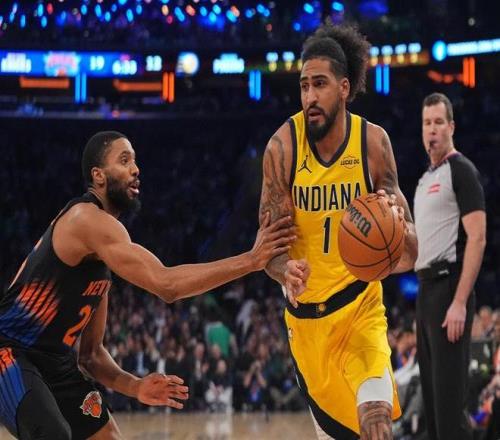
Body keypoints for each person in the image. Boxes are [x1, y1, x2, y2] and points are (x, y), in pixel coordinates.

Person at [0, 131, 294, 439]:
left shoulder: (100, 260)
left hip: (56, 364)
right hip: (11, 353)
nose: (135, 169)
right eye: (124, 160)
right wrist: (251, 260)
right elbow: (167, 285)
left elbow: (91, 355)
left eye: (135, 161)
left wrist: (137, 387)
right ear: (98, 176)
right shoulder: (85, 219)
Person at [259, 20, 418, 439]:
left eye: (320, 84)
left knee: (376, 420)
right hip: (308, 326)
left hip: (361, 311)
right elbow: (267, 251)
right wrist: (283, 268)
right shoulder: (282, 147)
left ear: (344, 88)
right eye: (304, 86)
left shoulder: (373, 143)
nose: (310, 96)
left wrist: (397, 232)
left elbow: (411, 252)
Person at [413, 92, 486, 440]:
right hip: (424, 292)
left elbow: (478, 238)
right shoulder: (423, 180)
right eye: (427, 123)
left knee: (449, 414)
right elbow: (418, 248)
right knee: (433, 412)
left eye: (439, 122)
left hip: (448, 290)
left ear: (451, 127)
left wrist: (459, 302)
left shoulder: (462, 170)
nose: (432, 129)